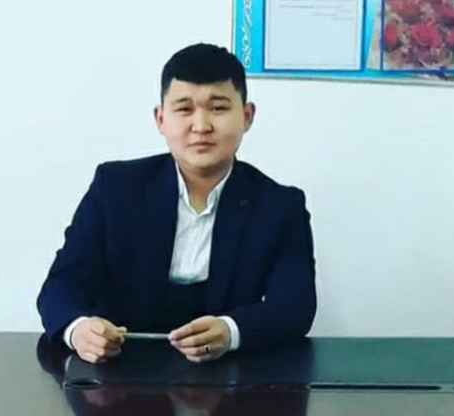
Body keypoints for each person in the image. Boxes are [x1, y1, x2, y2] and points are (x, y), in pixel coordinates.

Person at [37, 43, 317, 364]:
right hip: (119, 369)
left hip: (231, 373)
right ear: (160, 119)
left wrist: (231, 330)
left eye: (218, 108)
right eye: (184, 109)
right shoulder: (115, 187)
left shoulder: (280, 206)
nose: (201, 126)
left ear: (246, 116)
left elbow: (295, 306)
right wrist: (78, 329)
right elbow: (62, 284)